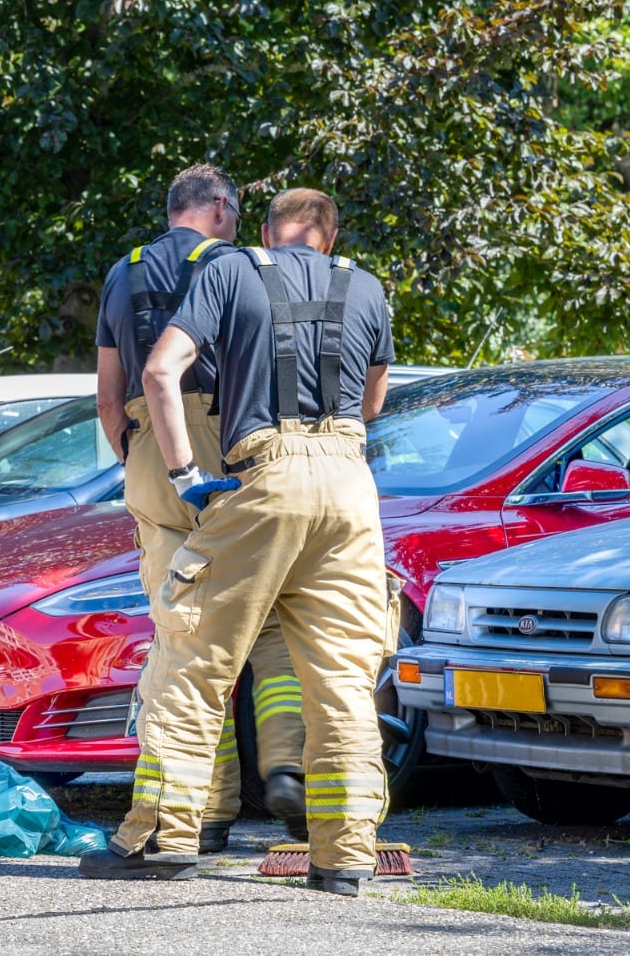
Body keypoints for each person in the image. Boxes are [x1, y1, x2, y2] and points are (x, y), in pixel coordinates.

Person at [80, 187, 394, 896]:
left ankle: (166, 838)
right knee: (343, 681)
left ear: (266, 232)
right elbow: (374, 402)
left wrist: (185, 473)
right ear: (330, 237)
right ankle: (344, 858)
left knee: (191, 660)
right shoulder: (366, 286)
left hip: (266, 474)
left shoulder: (232, 269)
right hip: (351, 489)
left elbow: (159, 371)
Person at [94, 164, 308, 852]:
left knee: (183, 633)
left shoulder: (122, 272)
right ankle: (288, 767)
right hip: (232, 440)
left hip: (152, 450)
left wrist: (139, 458)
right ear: (220, 207)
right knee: (268, 617)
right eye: (236, 214)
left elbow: (107, 396)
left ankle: (203, 811)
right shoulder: (240, 268)